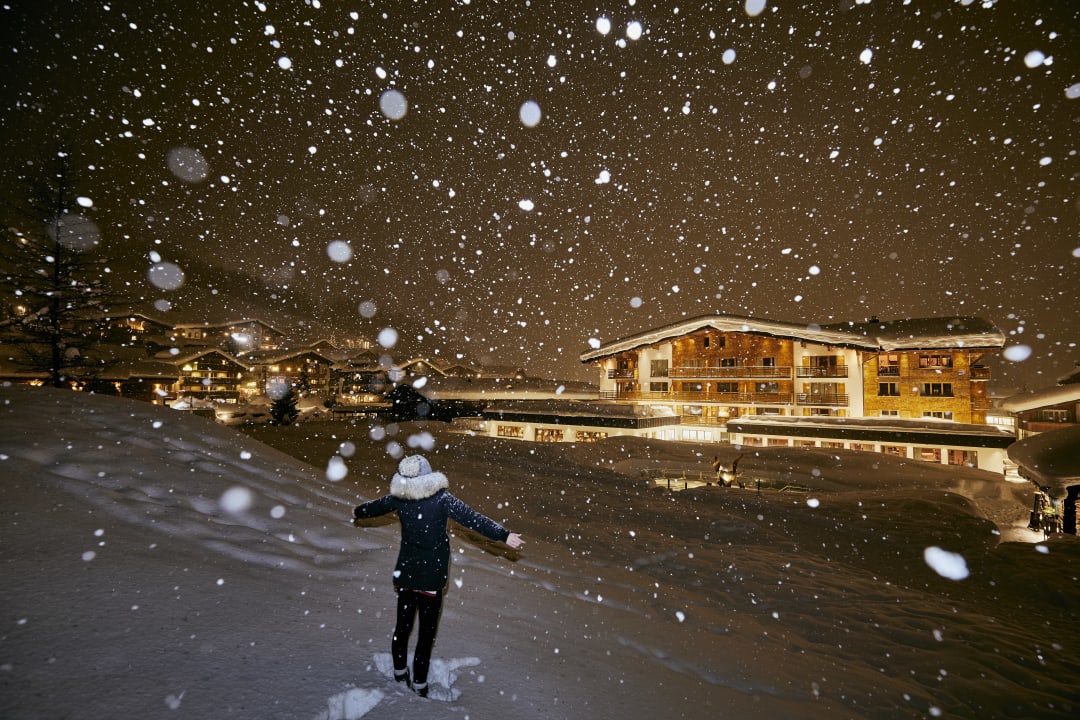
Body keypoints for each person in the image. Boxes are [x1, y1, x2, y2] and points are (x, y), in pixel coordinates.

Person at [353, 454, 524, 698]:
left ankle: (400, 672)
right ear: (430, 476)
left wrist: (359, 511)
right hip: (430, 580)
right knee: (425, 634)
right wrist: (503, 535)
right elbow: (473, 519)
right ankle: (419, 684)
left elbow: (371, 508)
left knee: (402, 627)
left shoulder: (400, 499)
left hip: (406, 576)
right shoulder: (442, 500)